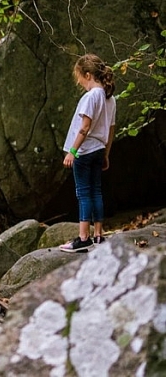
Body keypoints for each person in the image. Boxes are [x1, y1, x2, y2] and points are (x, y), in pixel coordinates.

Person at [59, 53, 116, 253]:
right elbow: (110, 130)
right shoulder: (110, 99)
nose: (79, 82)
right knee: (96, 191)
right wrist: (106, 154)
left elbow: (84, 127)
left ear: (88, 74)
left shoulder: (91, 96)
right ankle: (99, 235)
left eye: (80, 77)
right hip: (99, 149)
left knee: (83, 193)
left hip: (84, 151)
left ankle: (83, 238)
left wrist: (72, 151)